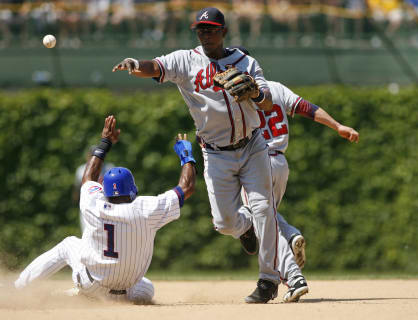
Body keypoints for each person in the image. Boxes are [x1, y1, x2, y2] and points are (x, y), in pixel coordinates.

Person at [112, 7, 281, 303]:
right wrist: (134, 64)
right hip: (216, 154)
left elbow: (267, 105)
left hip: (252, 145)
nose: (205, 34)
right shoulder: (186, 60)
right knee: (224, 222)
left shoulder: (246, 62)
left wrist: (254, 93)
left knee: (264, 208)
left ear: (224, 32)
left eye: (211, 29)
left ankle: (268, 280)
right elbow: (154, 66)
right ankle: (244, 227)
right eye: (201, 29)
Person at [14, 115, 197, 304]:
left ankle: (19, 288)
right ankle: (100, 297)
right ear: (133, 189)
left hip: (92, 284)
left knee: (69, 244)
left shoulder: (94, 204)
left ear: (105, 190)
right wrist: (186, 156)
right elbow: (187, 187)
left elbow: (89, 177)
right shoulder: (147, 208)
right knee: (147, 287)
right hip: (130, 292)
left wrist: (105, 143)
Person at [234, 46, 360, 303]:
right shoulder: (276, 88)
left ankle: (294, 277)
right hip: (280, 163)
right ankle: (291, 234)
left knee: (264, 225)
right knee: (267, 217)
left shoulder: (233, 96)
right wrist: (337, 125)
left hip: (257, 164)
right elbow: (307, 108)